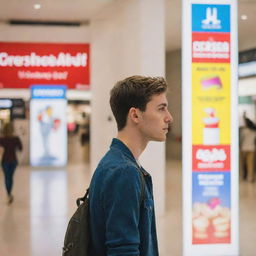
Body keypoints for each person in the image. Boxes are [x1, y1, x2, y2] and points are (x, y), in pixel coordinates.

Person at [88, 75, 173, 256]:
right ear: (135, 115)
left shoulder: (118, 163)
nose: (169, 118)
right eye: (161, 109)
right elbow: (123, 250)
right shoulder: (123, 172)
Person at [0, 122, 22, 204]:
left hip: (5, 160)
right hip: (13, 160)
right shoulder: (15, 139)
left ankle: (8, 194)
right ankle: (9, 194)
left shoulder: (2, 139)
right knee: (10, 177)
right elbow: (20, 148)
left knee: (7, 177)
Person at [240, 114, 256, 182]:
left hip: (244, 148)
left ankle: (244, 176)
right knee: (250, 164)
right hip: (252, 148)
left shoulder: (244, 131)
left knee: (243, 164)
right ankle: (250, 177)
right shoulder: (254, 131)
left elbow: (241, 139)